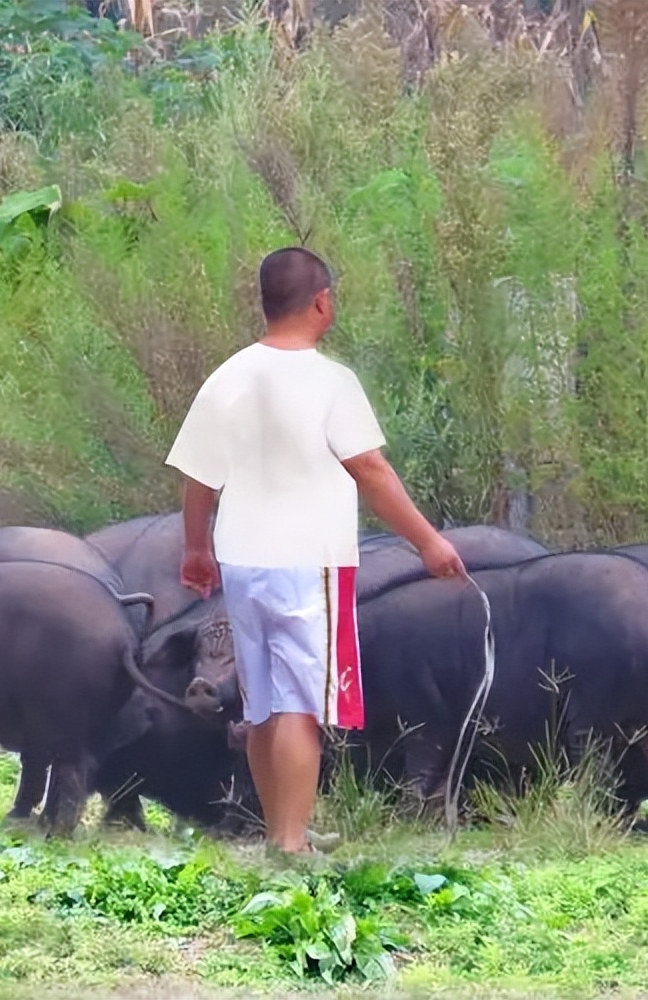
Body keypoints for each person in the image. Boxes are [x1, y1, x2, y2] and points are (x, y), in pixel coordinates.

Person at [164, 246, 466, 855]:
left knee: (263, 701)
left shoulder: (228, 377)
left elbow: (198, 478)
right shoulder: (332, 382)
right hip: (312, 563)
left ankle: (282, 832)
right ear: (322, 302)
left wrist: (196, 549)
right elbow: (372, 471)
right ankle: (293, 842)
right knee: (302, 705)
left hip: (244, 561)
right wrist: (429, 543)